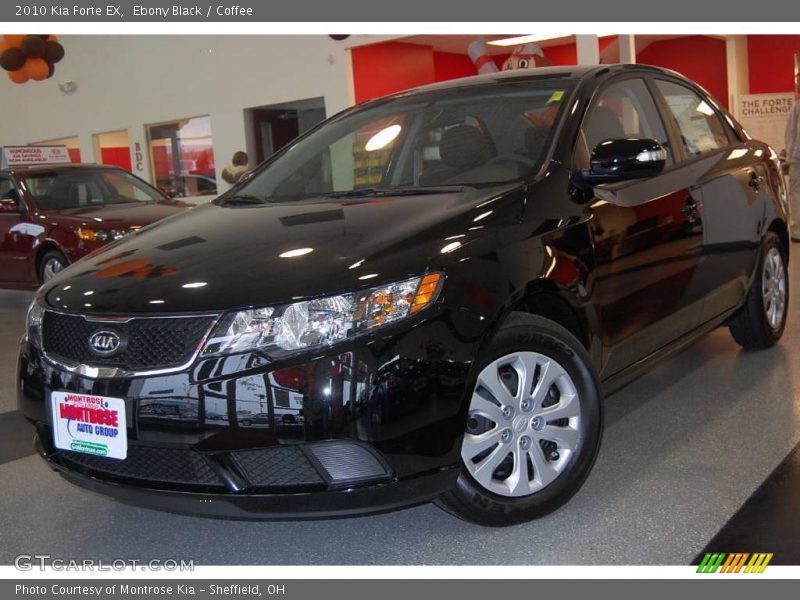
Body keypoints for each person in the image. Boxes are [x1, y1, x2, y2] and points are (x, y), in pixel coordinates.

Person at [786, 98, 800, 240]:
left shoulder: (798, 106)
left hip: (798, 160)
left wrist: (791, 158)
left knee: (796, 193)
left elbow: (797, 135)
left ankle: (797, 230)